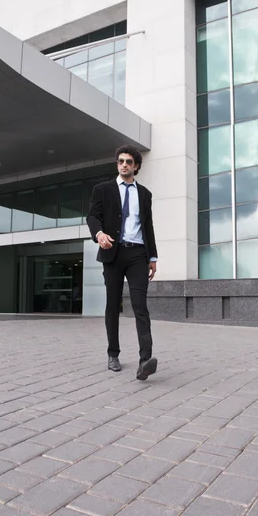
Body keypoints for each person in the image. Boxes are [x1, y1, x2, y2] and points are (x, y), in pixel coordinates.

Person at [87, 145, 158, 381]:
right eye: (120, 161)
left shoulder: (145, 194)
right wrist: (99, 235)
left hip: (138, 254)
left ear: (136, 166)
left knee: (140, 306)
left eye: (128, 161)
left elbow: (148, 226)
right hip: (113, 254)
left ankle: (145, 360)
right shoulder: (103, 189)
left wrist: (153, 257)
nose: (124, 164)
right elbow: (93, 216)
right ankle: (113, 354)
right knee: (113, 305)